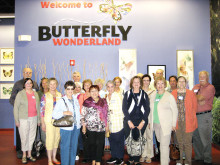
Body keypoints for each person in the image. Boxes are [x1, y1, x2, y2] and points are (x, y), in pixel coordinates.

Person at [9, 67, 39, 159]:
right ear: (23, 73)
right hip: (23, 117)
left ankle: (29, 154)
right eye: (26, 72)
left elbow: (37, 105)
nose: (28, 74)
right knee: (23, 136)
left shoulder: (35, 86)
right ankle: (23, 154)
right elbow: (12, 99)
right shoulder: (18, 85)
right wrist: (20, 108)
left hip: (33, 117)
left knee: (31, 136)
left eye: (29, 73)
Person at [148, 76, 178, 165]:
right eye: (158, 83)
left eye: (162, 83)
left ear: (165, 85)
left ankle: (164, 163)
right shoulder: (153, 96)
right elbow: (150, 110)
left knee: (164, 146)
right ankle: (167, 159)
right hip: (156, 124)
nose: (160, 85)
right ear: (155, 85)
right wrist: (150, 122)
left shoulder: (169, 96)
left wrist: (173, 124)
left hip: (166, 124)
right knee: (162, 144)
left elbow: (175, 110)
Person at [123, 76, 150, 165]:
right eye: (134, 82)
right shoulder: (127, 94)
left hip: (141, 121)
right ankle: (131, 159)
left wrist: (143, 122)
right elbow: (124, 108)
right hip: (129, 121)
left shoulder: (144, 94)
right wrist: (129, 121)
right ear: (132, 83)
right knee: (129, 140)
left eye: (138, 82)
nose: (136, 83)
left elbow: (147, 109)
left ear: (140, 83)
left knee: (138, 140)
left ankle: (137, 159)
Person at [52, 81, 81, 165]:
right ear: (65, 90)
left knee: (73, 148)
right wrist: (64, 112)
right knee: (65, 148)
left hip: (76, 127)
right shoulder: (61, 101)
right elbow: (54, 114)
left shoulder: (75, 100)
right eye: (68, 89)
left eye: (72, 89)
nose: (70, 91)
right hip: (66, 128)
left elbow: (77, 113)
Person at [172, 76, 198, 165]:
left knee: (187, 143)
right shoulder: (173, 93)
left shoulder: (191, 93)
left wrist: (192, 119)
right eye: (180, 81)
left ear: (186, 83)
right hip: (177, 122)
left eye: (183, 81)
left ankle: (187, 161)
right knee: (179, 143)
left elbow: (194, 107)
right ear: (177, 83)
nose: (182, 83)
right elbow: (171, 108)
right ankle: (179, 160)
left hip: (188, 122)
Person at [81, 85, 108, 165]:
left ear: (98, 91)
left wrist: (107, 126)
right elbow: (83, 115)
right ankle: (93, 159)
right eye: (92, 91)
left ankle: (98, 160)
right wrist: (84, 126)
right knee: (92, 143)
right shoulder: (86, 102)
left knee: (100, 144)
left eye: (96, 90)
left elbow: (107, 114)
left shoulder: (103, 101)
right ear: (89, 92)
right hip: (90, 127)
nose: (94, 93)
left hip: (101, 126)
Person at [192, 71, 215, 164]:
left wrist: (196, 97)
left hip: (204, 116)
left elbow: (201, 98)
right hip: (195, 116)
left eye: (204, 76)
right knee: (196, 137)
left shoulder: (210, 87)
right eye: (200, 76)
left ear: (207, 78)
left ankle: (207, 159)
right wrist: (196, 97)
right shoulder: (196, 86)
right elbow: (191, 97)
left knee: (205, 139)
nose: (201, 78)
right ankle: (199, 156)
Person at [40, 78, 61, 165]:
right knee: (50, 139)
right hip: (48, 121)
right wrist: (43, 123)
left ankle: (54, 157)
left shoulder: (60, 95)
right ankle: (49, 159)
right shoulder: (45, 96)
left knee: (56, 139)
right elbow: (42, 110)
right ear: (48, 85)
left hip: (59, 121)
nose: (52, 86)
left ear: (56, 85)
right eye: (51, 84)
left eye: (54, 84)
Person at [105, 81, 124, 165]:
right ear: (106, 87)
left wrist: (111, 111)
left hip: (118, 122)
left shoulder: (118, 96)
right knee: (111, 140)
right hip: (109, 123)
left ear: (114, 87)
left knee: (118, 141)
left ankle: (120, 158)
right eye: (108, 87)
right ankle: (114, 156)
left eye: (112, 86)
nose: (110, 88)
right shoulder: (106, 97)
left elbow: (122, 110)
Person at [140, 74, 154, 163]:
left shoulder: (153, 92)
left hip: (150, 116)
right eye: (144, 80)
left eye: (147, 80)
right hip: (140, 117)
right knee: (142, 137)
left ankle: (149, 155)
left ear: (150, 81)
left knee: (149, 136)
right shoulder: (139, 91)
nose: (146, 82)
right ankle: (143, 154)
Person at [77, 79, 92, 163]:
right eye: (86, 85)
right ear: (83, 87)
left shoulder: (94, 94)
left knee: (93, 140)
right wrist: (83, 123)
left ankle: (94, 156)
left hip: (93, 122)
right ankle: (86, 156)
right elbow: (80, 110)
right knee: (85, 140)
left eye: (89, 85)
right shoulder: (81, 96)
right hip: (84, 121)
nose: (87, 87)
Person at [37, 77, 49, 145]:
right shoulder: (38, 93)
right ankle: (45, 147)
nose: (45, 84)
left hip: (50, 117)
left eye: (46, 82)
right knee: (43, 133)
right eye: (43, 83)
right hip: (41, 116)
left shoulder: (52, 92)